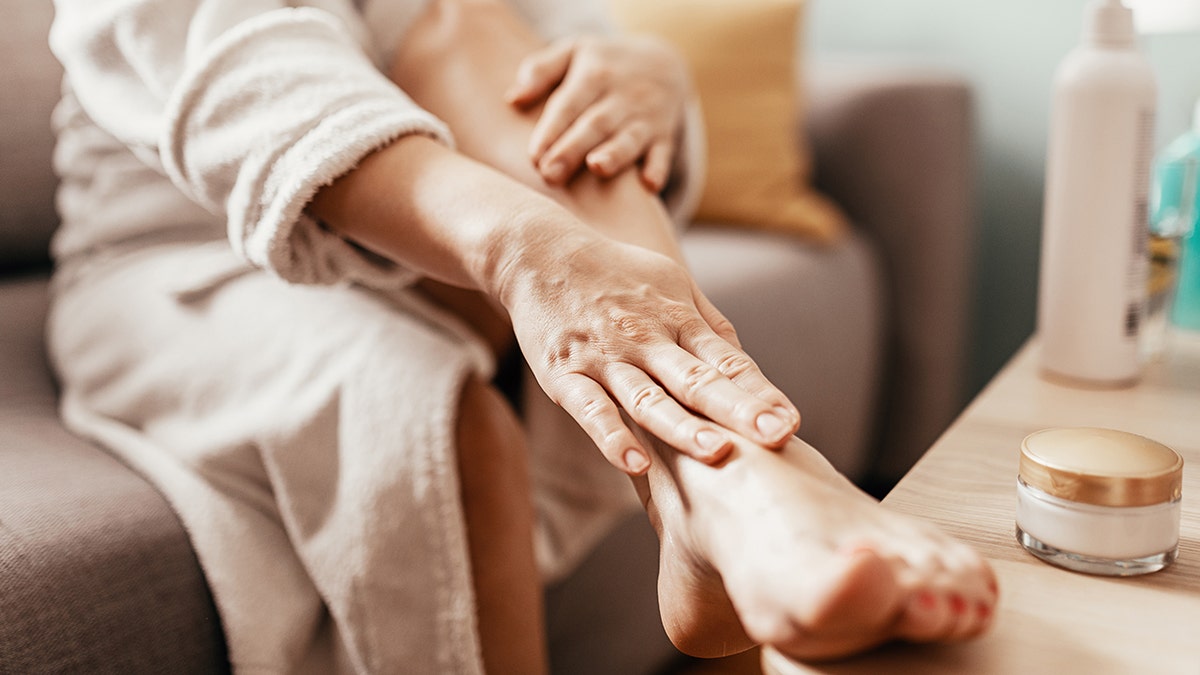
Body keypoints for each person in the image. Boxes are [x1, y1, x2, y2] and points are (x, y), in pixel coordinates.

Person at [46, 0, 998, 672]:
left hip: (422, 245)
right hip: (189, 259)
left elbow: (548, 55)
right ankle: (736, 471)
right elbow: (247, 87)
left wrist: (649, 80)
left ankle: (723, 477)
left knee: (473, 21)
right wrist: (525, 250)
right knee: (422, 408)